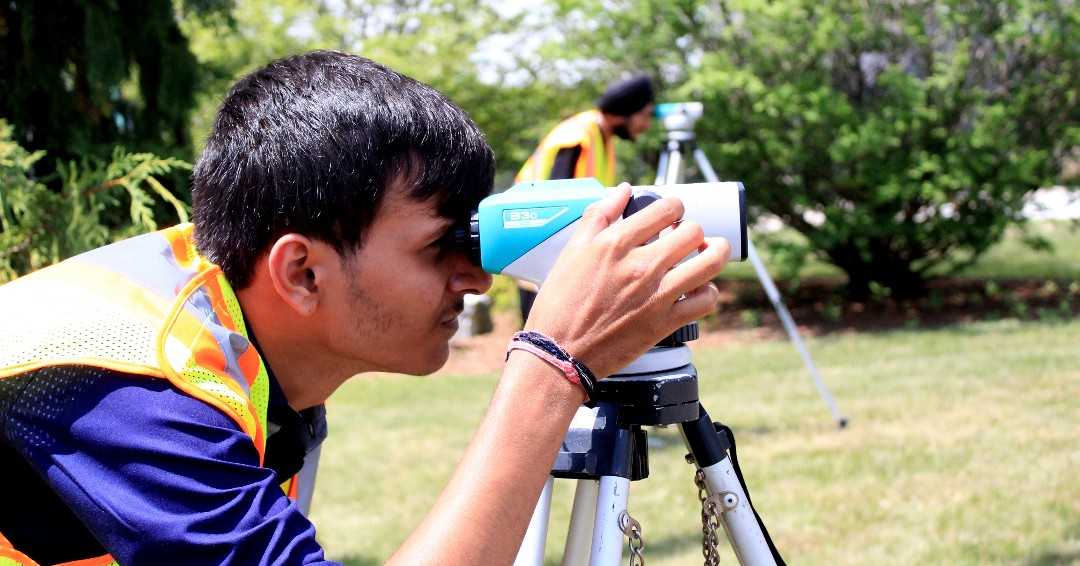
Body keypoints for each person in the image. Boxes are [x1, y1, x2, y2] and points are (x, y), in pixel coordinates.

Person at [0, 51, 728, 565]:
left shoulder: (230, 333)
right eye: (440, 245)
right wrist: (554, 364)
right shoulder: (129, 391)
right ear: (302, 272)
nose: (476, 280)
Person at [514, 74, 656, 323]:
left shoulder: (600, 137)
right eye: (645, 115)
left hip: (558, 256)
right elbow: (554, 200)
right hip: (538, 251)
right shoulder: (577, 136)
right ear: (623, 112)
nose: (647, 124)